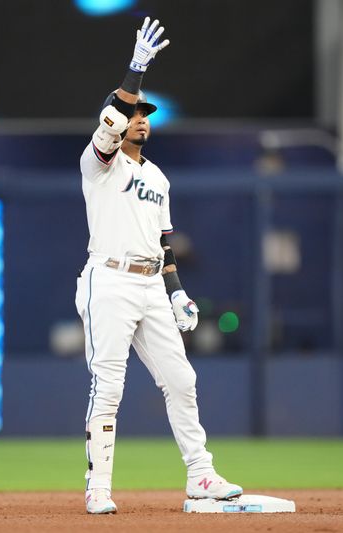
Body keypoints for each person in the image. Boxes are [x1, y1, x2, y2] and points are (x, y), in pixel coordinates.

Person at [74, 17, 243, 514]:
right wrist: (135, 71)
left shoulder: (160, 179)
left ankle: (201, 475)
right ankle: (98, 488)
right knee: (109, 386)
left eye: (147, 113)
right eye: (134, 112)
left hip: (149, 284)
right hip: (107, 278)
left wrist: (177, 293)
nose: (141, 118)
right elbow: (112, 117)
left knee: (183, 380)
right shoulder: (98, 163)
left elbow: (164, 244)